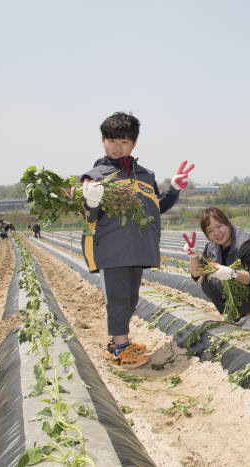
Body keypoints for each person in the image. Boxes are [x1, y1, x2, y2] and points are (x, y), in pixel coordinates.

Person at [81, 111, 194, 369]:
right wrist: (91, 201)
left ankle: (119, 342)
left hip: (138, 250)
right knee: (118, 299)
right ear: (102, 141)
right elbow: (89, 215)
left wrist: (174, 189)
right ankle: (119, 351)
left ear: (134, 143)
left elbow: (155, 208)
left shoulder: (144, 175)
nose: (117, 147)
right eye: (111, 141)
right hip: (113, 249)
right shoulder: (94, 177)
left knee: (130, 298)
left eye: (124, 142)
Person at [183, 207, 250, 330]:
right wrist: (193, 256)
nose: (216, 233)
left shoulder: (248, 245)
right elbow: (196, 276)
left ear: (227, 223)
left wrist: (232, 274)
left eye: (219, 226)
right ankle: (234, 314)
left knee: (233, 279)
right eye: (210, 231)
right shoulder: (211, 247)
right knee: (207, 280)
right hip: (239, 298)